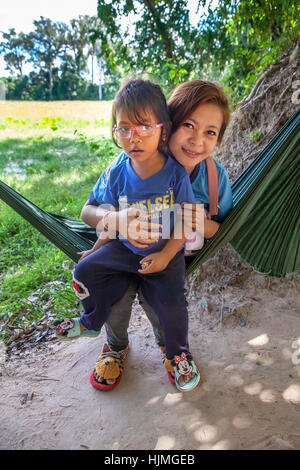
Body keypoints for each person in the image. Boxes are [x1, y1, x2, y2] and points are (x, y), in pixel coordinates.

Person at [53, 78, 201, 392]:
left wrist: (164, 255)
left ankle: (177, 353)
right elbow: (87, 212)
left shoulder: (174, 173)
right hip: (122, 248)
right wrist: (115, 220)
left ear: (163, 128)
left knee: (172, 303)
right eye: (123, 128)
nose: (133, 137)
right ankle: (92, 323)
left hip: (164, 251)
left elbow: (187, 218)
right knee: (84, 269)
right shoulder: (117, 170)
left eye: (144, 127)